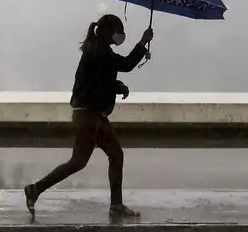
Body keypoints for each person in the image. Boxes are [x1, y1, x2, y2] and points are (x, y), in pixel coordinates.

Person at [23, 14, 153, 219]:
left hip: (95, 115)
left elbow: (115, 71)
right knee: (79, 161)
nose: (121, 35)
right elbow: (107, 78)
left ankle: (116, 205)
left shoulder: (100, 51)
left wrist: (142, 45)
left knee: (115, 155)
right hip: (88, 116)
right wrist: (142, 44)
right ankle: (35, 189)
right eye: (119, 31)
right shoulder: (99, 52)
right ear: (108, 32)